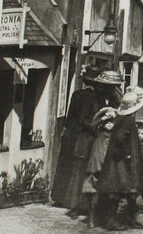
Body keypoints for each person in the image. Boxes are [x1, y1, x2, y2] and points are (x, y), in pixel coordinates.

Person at [52, 67, 122, 214]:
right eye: (110, 86)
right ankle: (78, 205)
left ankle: (95, 203)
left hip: (100, 138)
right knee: (82, 170)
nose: (113, 89)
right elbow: (83, 119)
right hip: (87, 138)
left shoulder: (113, 99)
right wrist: (97, 126)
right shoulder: (90, 97)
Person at [95, 86, 143, 231]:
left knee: (128, 190)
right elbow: (119, 138)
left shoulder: (122, 117)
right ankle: (112, 221)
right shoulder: (127, 120)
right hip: (120, 162)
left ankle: (130, 218)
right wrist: (127, 154)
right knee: (117, 190)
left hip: (119, 159)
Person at [83, 106, 117, 228]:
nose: (109, 123)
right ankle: (91, 218)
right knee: (93, 192)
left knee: (108, 193)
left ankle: (105, 218)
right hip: (96, 165)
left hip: (108, 166)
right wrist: (103, 118)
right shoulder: (99, 134)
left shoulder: (114, 136)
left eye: (111, 121)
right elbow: (92, 125)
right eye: (106, 122)